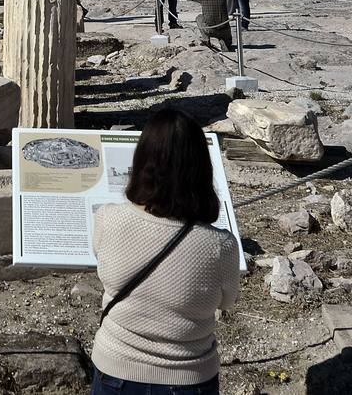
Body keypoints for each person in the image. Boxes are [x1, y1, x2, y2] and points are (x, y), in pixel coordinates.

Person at [91, 108, 240, 395]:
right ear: (201, 168)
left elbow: (102, 265)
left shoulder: (107, 218)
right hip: (188, 375)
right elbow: (227, 301)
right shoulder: (221, 245)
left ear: (142, 160)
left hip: (115, 367)